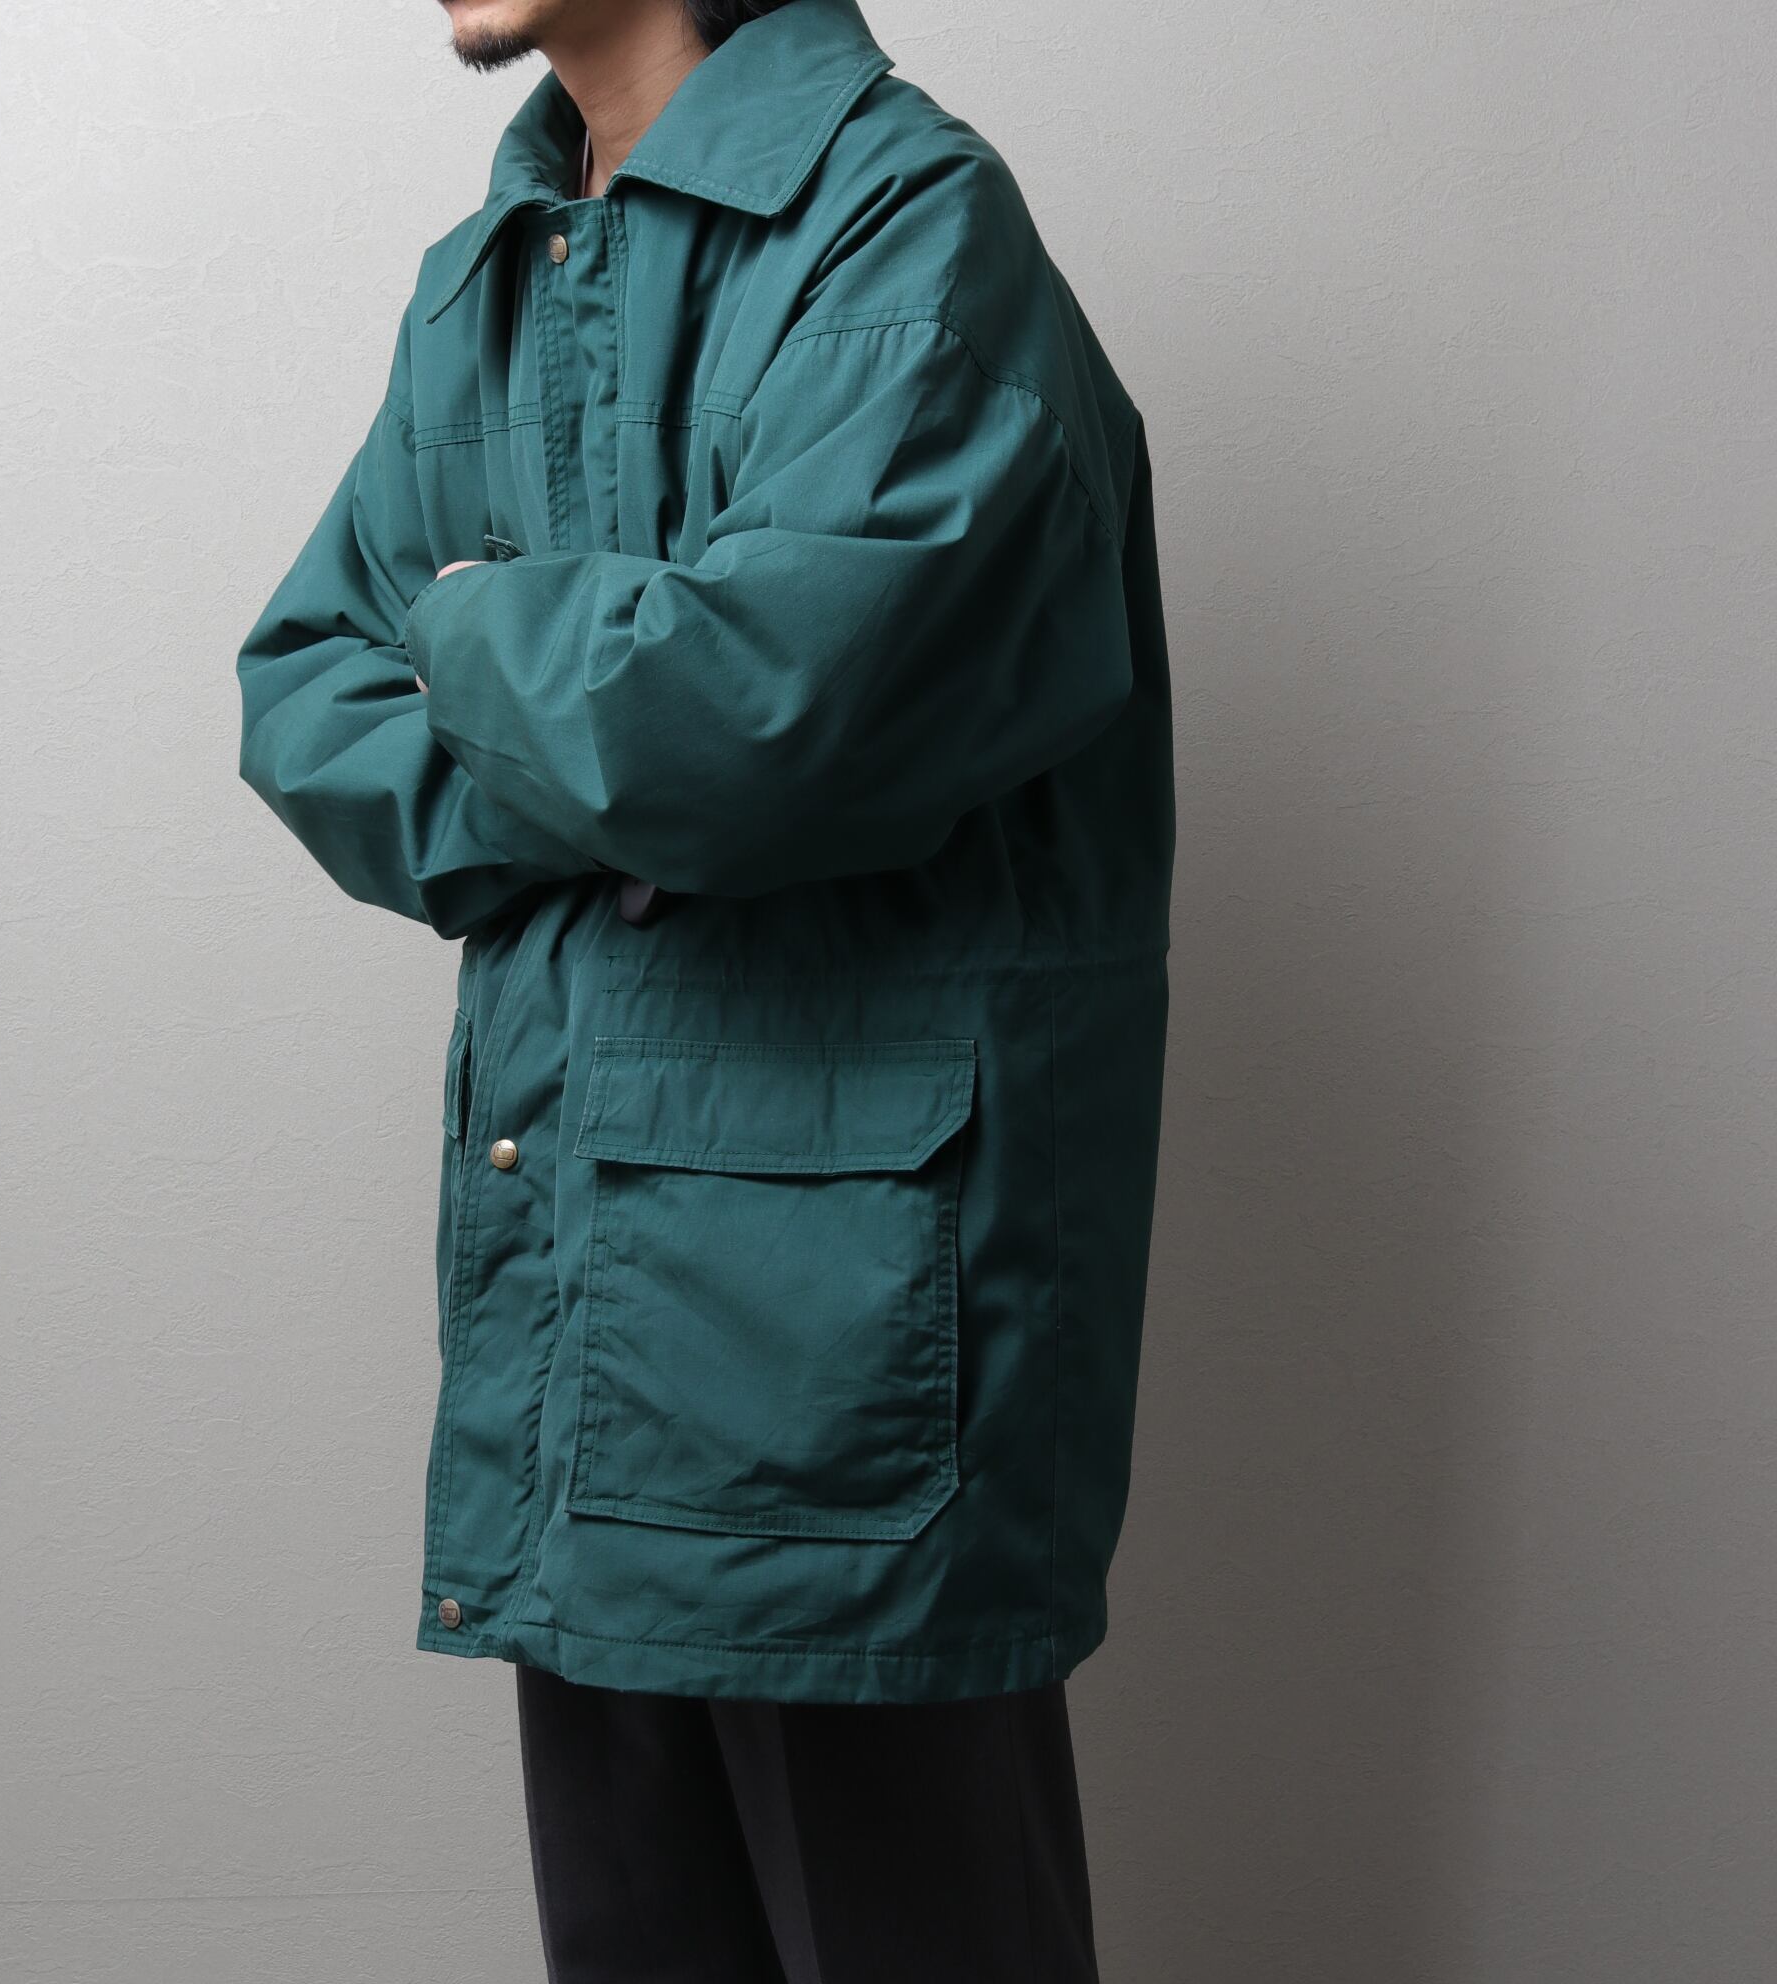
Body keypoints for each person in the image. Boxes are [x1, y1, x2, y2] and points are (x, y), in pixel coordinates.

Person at [235, 0, 1174, 1974]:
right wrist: (593, 735)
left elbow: (752, 725)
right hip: (571, 1316)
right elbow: (307, 696)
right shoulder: (491, 274)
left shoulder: (910, 230)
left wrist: (470, 629)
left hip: (845, 1371)